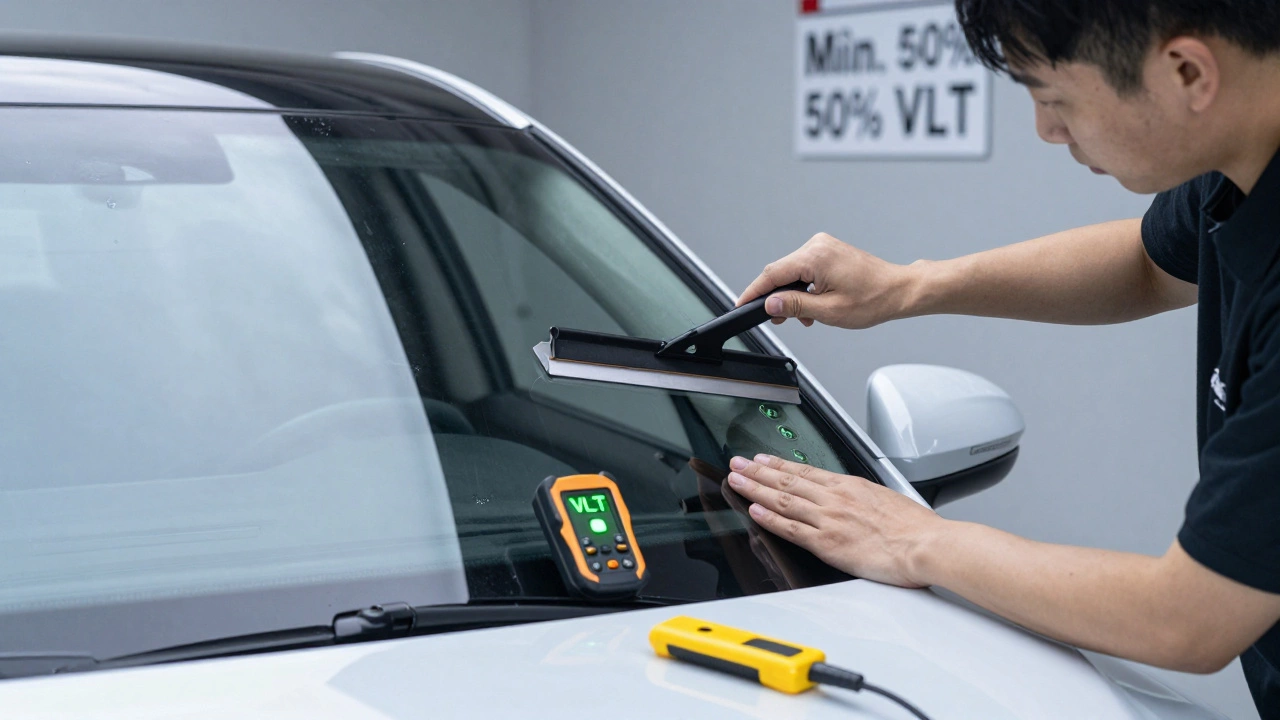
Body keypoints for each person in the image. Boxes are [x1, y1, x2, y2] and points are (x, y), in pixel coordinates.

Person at [726, 1, 1280, 715]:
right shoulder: (1243, 161)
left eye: (1054, 100)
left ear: (1185, 72)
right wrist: (908, 286)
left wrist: (916, 540)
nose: (1047, 131)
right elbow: (1149, 262)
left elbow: (1189, 616)